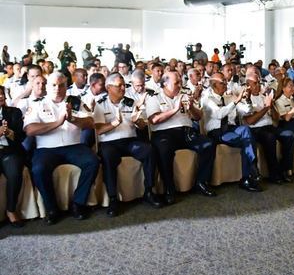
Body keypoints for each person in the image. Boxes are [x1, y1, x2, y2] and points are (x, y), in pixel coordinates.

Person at [24, 72, 99, 225]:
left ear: (67, 86)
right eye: (53, 85)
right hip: (47, 149)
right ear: (47, 86)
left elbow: (90, 123)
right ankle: (52, 208)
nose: (57, 89)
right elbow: (30, 130)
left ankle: (78, 203)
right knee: (38, 169)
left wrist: (72, 118)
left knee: (93, 162)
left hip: (74, 146)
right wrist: (57, 123)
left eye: (61, 85)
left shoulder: (75, 101)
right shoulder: (37, 104)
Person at [93, 73, 163, 217]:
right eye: (119, 85)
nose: (123, 88)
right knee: (107, 156)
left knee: (149, 150)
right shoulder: (100, 104)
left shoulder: (131, 102)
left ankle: (149, 191)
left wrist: (138, 122)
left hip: (129, 141)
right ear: (108, 88)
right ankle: (113, 198)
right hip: (109, 143)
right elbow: (99, 130)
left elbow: (143, 126)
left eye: (124, 85)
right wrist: (114, 123)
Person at [146, 72, 217, 204]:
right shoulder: (154, 98)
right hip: (164, 134)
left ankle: (201, 182)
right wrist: (175, 109)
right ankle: (169, 189)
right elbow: (154, 120)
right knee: (163, 150)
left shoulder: (184, 95)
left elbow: (198, 117)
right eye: (176, 83)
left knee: (208, 144)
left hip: (186, 132)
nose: (180, 85)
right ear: (165, 84)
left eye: (180, 82)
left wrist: (191, 107)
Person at [238, 75, 294, 184]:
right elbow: (250, 121)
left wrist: (271, 104)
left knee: (289, 135)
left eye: (259, 83)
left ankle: (284, 169)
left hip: (270, 127)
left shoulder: (263, 96)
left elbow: (276, 118)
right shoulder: (244, 100)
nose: (258, 85)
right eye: (255, 83)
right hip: (255, 130)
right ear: (248, 86)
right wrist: (265, 108)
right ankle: (274, 174)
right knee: (270, 137)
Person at [0, 85, 26, 227]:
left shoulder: (14, 112)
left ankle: (11, 210)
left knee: (15, 173)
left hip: (10, 151)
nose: (1, 96)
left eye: (2, 94)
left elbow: (21, 137)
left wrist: (8, 132)